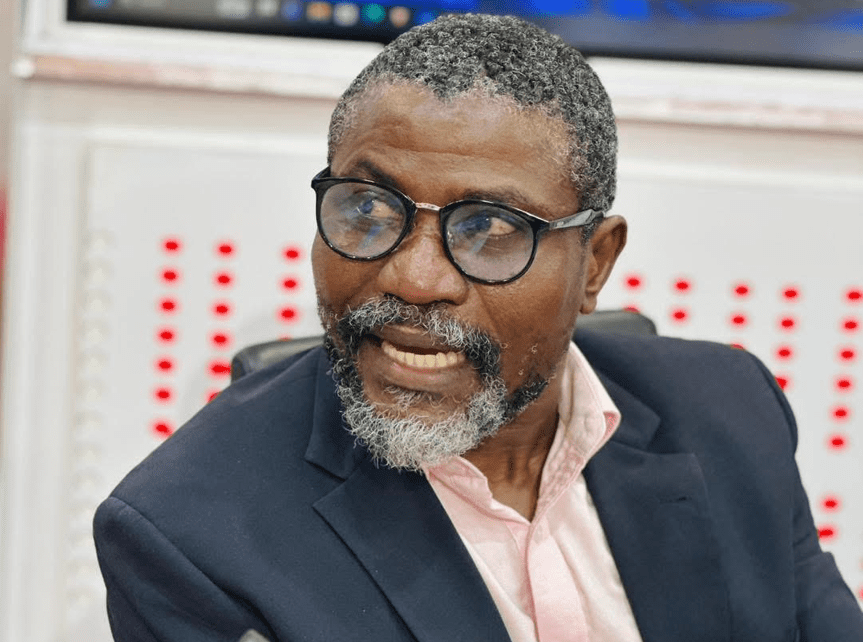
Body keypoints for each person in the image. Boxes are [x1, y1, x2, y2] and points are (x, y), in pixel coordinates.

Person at [94, 13, 863, 642]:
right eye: (368, 208)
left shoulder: (729, 412)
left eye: (490, 228)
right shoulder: (191, 538)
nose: (413, 278)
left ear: (594, 264)